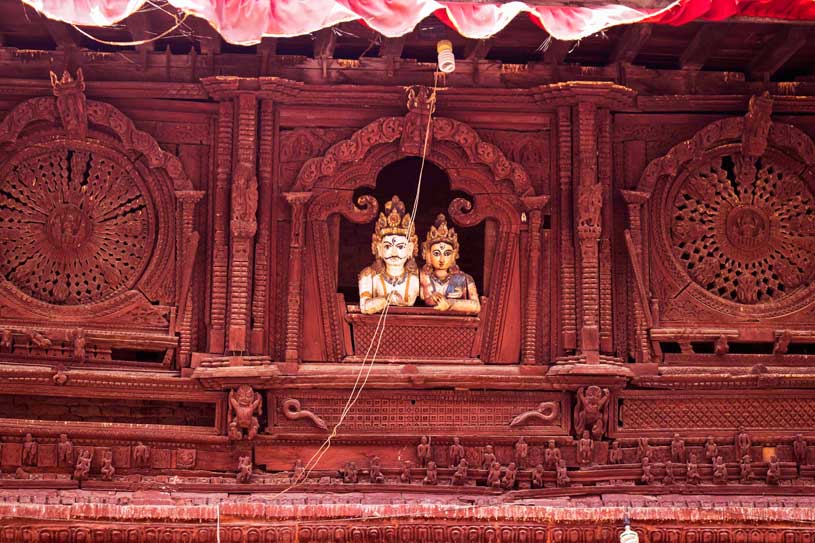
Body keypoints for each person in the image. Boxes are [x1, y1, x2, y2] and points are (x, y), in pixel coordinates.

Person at [358, 196, 419, 314]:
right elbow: (364, 307)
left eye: (400, 247)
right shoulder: (368, 275)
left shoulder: (414, 279)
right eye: (387, 246)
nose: (394, 252)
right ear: (379, 248)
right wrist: (387, 299)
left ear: (410, 249)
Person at [419, 214, 479, 313]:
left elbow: (476, 306)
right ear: (428, 255)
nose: (442, 259)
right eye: (436, 253)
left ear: (454, 255)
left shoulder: (464, 279)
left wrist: (450, 303)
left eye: (447, 254)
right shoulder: (422, 277)